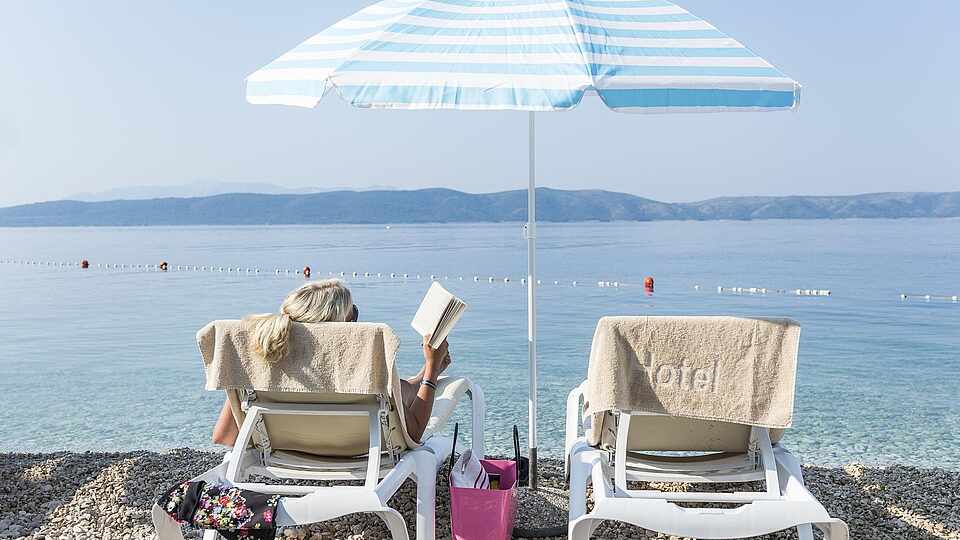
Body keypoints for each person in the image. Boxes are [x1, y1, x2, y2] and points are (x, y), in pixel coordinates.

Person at [212, 279, 451, 447]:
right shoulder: (355, 365)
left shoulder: (266, 358)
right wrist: (431, 371)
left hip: (282, 451)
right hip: (358, 451)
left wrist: (426, 371)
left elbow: (226, 436)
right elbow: (414, 432)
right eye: (353, 314)